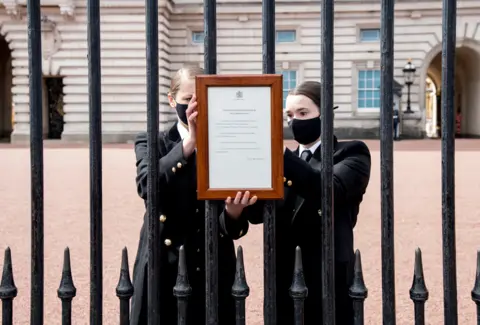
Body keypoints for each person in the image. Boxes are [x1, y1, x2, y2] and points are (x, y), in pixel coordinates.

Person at [129, 65, 258, 325]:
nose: (194, 107)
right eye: (188, 99)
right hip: (163, 260)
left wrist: (234, 214)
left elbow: (242, 219)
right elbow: (147, 186)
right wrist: (190, 144)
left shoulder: (230, 142)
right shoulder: (152, 141)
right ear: (171, 99)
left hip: (211, 261)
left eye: (202, 100)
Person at [234, 80, 371, 324]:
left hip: (327, 273)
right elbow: (257, 213)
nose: (294, 120)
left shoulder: (352, 153)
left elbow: (328, 189)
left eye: (303, 113)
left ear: (325, 114)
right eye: (289, 114)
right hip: (284, 273)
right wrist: (237, 203)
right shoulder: (281, 159)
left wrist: (277, 152)